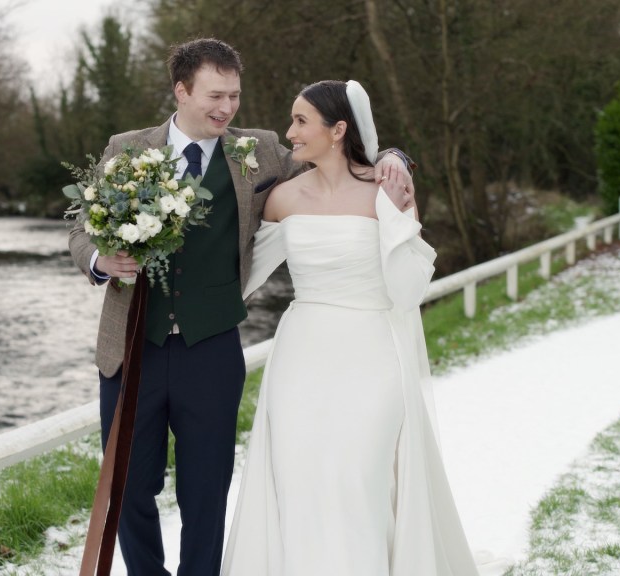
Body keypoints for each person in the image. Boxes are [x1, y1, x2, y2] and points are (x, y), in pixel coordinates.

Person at [68, 41, 413, 576]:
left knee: (206, 488)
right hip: (131, 346)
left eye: (234, 95)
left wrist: (394, 158)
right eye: (214, 95)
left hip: (211, 350)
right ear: (181, 91)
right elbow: (81, 227)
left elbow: (340, 154)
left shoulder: (263, 150)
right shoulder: (127, 148)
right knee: (131, 487)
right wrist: (98, 259)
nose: (226, 108)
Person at [222, 80, 491, 575]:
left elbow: (410, 289)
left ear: (339, 129)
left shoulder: (388, 189)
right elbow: (236, 279)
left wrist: (394, 209)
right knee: (300, 479)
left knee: (359, 478)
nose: (290, 132)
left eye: (301, 121)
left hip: (372, 354)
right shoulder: (281, 198)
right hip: (301, 357)